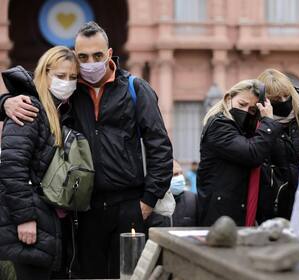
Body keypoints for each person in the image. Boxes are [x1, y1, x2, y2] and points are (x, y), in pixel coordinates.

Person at [0, 21, 173, 279]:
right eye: (82, 57)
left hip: (129, 206)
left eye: (97, 56)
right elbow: (34, 92)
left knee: (129, 275)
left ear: (109, 53)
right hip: (84, 211)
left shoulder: (136, 89)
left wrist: (147, 202)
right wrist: (5, 103)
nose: (89, 62)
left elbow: (159, 146)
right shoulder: (71, 89)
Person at [0, 46, 78, 280]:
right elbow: (12, 167)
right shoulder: (30, 109)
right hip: (28, 228)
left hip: (48, 226)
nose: (67, 82)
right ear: (44, 74)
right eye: (60, 76)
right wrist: (25, 218)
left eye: (73, 77)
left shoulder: (59, 111)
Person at [197, 79, 282, 226]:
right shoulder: (219, 125)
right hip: (221, 217)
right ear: (228, 98)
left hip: (233, 212)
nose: (245, 111)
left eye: (252, 110)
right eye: (242, 104)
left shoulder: (243, 129)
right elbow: (252, 154)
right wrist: (268, 122)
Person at [256, 69, 299, 223]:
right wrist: (267, 123)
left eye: (286, 95)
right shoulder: (256, 122)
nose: (283, 101)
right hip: (274, 201)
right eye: (276, 98)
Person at [147, 160, 198, 227]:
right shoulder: (151, 202)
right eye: (175, 174)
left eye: (181, 173)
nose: (180, 178)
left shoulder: (192, 200)